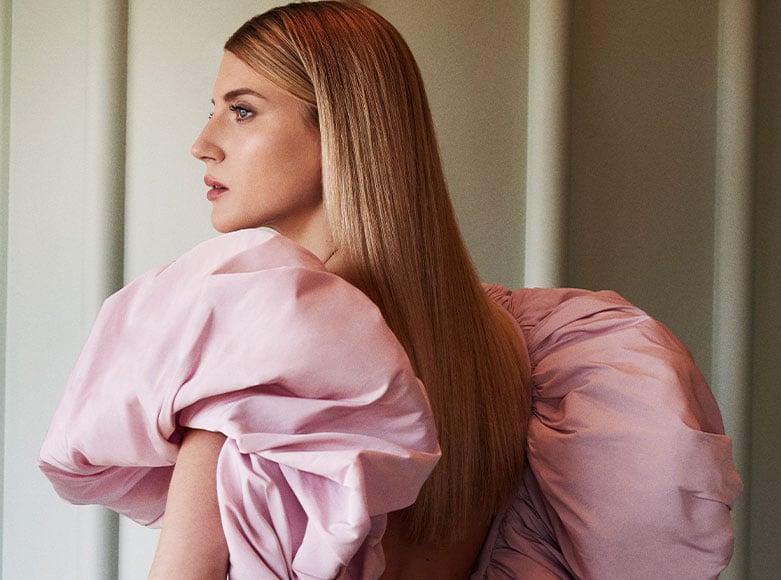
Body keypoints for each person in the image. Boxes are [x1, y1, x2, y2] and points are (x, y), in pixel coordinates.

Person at [39, 2, 742, 579]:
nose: (204, 142)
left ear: (338, 129)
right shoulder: (524, 353)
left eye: (242, 110)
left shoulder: (255, 349)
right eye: (214, 108)